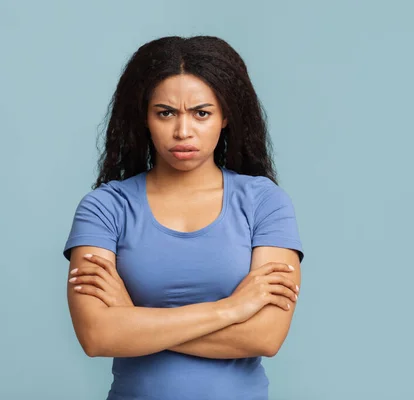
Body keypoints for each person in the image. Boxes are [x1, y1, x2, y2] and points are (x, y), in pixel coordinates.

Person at [62, 35, 304, 400]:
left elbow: (265, 336)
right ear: (144, 117)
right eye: (166, 112)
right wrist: (231, 310)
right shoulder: (104, 207)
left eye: (201, 113)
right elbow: (97, 336)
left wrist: (132, 319)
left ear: (225, 116)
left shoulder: (264, 202)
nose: (183, 131)